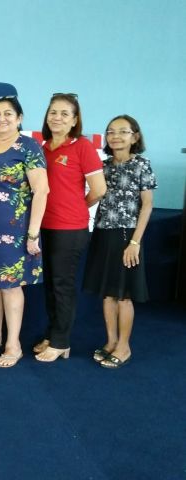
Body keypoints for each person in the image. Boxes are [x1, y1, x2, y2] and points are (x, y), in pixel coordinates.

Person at [0, 96, 49, 367]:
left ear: (19, 118)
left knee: (10, 285)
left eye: (7, 113)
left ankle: (13, 345)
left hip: (14, 232)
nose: (1, 118)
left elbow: (42, 191)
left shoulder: (28, 146)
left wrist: (33, 233)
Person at [34, 93, 106, 362]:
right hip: (44, 227)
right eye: (53, 112)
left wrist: (77, 206)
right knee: (50, 285)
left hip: (70, 229)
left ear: (75, 120)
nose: (57, 118)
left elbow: (99, 190)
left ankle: (61, 342)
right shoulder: (42, 148)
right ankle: (52, 333)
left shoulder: (82, 147)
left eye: (65, 114)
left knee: (62, 285)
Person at [83, 115, 157, 368]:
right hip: (103, 233)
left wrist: (135, 242)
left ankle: (124, 346)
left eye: (123, 132)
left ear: (135, 136)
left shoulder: (142, 165)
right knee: (107, 294)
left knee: (124, 295)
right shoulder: (102, 166)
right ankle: (111, 341)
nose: (115, 136)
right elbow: (94, 196)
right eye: (111, 131)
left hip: (128, 236)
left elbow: (147, 206)